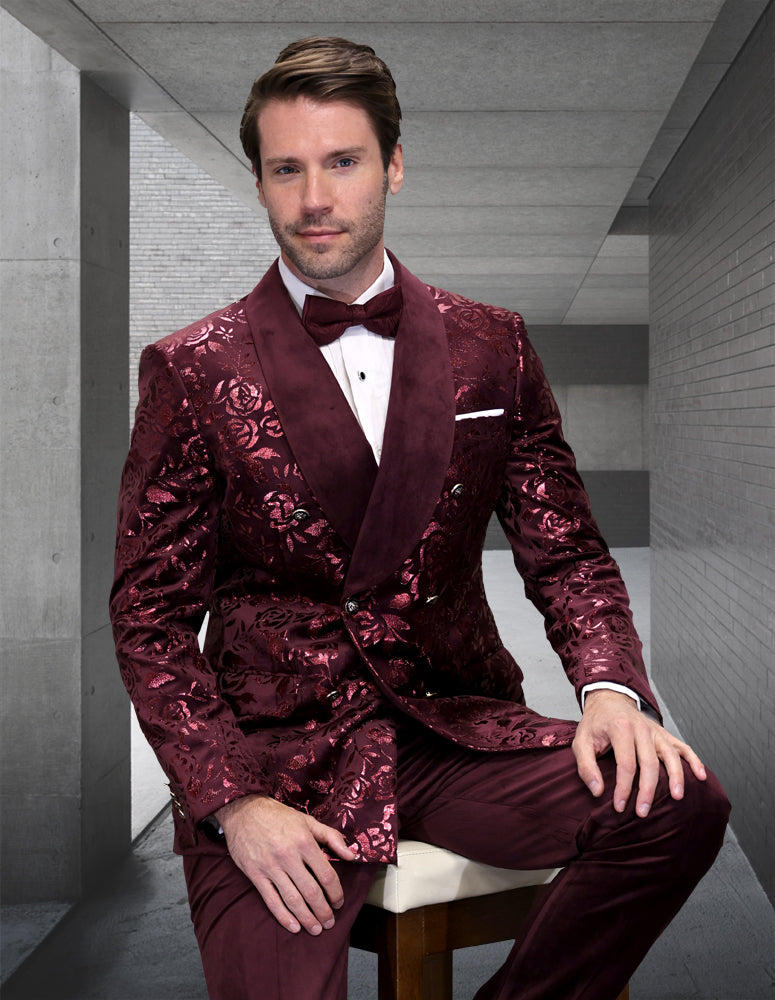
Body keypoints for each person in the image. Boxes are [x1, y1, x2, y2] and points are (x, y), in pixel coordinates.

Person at [110, 35, 730, 1000]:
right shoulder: (191, 368)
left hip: (451, 730)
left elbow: (566, 551)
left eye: (343, 161)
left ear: (392, 165)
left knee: (677, 802)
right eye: (287, 169)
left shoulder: (493, 346)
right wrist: (229, 803)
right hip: (275, 762)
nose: (316, 198)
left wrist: (610, 689)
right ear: (260, 182)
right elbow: (149, 619)